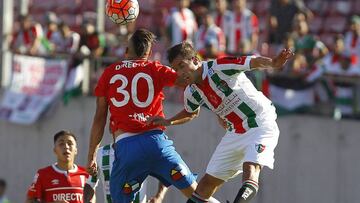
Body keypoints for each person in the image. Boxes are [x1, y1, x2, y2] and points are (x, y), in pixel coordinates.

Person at [148, 42, 293, 203]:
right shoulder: (192, 91)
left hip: (260, 123)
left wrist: (273, 63)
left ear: (195, 60)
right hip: (235, 133)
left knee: (250, 169)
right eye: (176, 69)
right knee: (204, 186)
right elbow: (191, 113)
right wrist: (168, 121)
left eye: (182, 66)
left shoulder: (219, 67)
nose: (180, 73)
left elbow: (252, 62)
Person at [86, 29, 219, 203]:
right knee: (197, 195)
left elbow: (99, 118)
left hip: (127, 150)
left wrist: (91, 156)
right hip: (158, 146)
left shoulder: (109, 73)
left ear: (126, 51)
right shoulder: (155, 68)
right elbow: (189, 77)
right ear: (148, 53)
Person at [84, 144, 169, 203]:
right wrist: (89, 201)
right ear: (111, 128)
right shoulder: (100, 154)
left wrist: (159, 197)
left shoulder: (143, 152)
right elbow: (90, 184)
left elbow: (166, 171)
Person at [26, 130, 89, 203]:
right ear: (55, 150)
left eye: (70, 143)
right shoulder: (43, 174)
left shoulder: (85, 173)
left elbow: (91, 198)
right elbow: (30, 200)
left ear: (76, 150)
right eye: (61, 144)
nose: (66, 147)